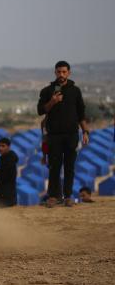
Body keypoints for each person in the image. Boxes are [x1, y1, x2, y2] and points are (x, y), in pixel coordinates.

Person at [37, 61, 89, 208]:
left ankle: (68, 196)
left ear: (69, 73)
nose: (61, 74)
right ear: (55, 72)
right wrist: (52, 101)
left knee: (69, 167)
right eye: (59, 72)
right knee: (54, 166)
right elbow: (41, 111)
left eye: (64, 72)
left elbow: (81, 113)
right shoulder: (47, 91)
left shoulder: (75, 91)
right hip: (54, 136)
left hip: (71, 134)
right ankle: (53, 196)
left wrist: (85, 131)